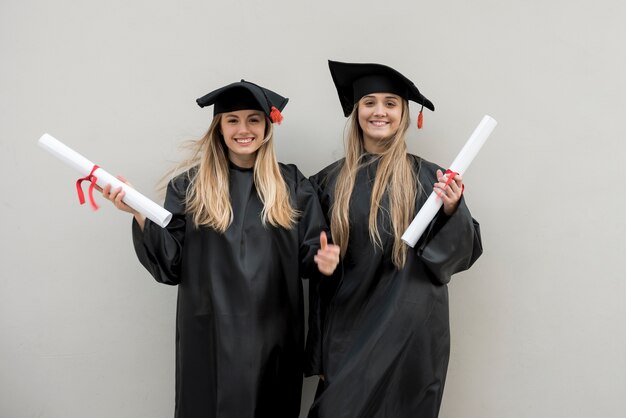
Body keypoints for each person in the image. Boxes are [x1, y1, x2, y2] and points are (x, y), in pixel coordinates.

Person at [101, 80, 340, 418]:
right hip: (208, 338)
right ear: (219, 127)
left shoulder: (292, 186)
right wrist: (138, 213)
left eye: (254, 119)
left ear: (268, 127)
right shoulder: (190, 187)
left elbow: (311, 254)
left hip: (273, 338)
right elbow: (170, 264)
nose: (243, 129)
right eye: (232, 120)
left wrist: (325, 262)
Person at [304, 61, 483, 418]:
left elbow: (460, 254)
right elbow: (317, 273)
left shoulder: (431, 180)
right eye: (369, 102)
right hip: (349, 334)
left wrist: (450, 210)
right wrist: (321, 353)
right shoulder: (326, 184)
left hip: (411, 336)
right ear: (356, 112)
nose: (379, 111)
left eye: (390, 103)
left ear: (403, 114)